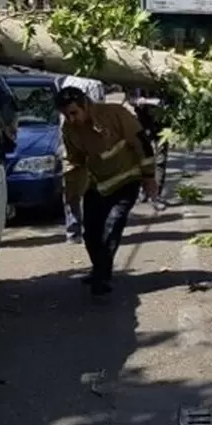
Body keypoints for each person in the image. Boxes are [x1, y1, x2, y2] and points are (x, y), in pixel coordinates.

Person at [56, 87, 159, 295]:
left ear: (85, 104)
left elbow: (142, 144)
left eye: (74, 113)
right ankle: (99, 270)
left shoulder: (115, 114)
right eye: (66, 115)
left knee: (112, 225)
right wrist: (72, 189)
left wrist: (149, 177)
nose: (71, 118)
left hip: (127, 180)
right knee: (91, 233)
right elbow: (75, 160)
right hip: (97, 185)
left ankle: (102, 277)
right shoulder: (69, 129)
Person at [59, 74, 106, 242]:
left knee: (77, 189)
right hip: (73, 141)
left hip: (81, 140)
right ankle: (79, 230)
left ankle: (79, 230)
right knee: (79, 187)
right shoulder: (91, 82)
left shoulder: (72, 81)